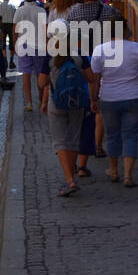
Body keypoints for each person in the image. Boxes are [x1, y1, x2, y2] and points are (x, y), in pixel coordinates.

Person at [91, 19, 138, 187]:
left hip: (109, 98)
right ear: (125, 30)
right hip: (133, 96)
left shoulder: (100, 50)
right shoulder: (136, 48)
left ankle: (113, 169)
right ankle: (128, 175)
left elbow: (95, 79)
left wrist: (93, 98)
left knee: (112, 135)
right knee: (130, 135)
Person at [63, 0, 118, 157]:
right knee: (100, 105)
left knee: (85, 107)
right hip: (106, 62)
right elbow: (119, 38)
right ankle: (98, 145)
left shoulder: (72, 14)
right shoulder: (110, 12)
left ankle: (82, 147)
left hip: (82, 63)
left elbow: (67, 40)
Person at [38, 34, 97, 196]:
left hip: (56, 103)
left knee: (60, 142)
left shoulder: (50, 57)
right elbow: (91, 78)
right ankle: (71, 179)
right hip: (77, 102)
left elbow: (42, 83)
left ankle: (69, 179)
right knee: (73, 140)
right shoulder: (79, 56)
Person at [14, 0, 47, 112]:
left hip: (24, 44)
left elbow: (15, 29)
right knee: (40, 74)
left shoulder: (20, 11)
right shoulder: (42, 11)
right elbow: (45, 29)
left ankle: (29, 102)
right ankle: (41, 98)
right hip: (40, 45)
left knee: (26, 74)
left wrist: (15, 43)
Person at [0, 0, 17, 69]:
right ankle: (11, 61)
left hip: (2, 24)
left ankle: (5, 60)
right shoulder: (12, 6)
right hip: (11, 24)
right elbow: (15, 16)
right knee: (11, 42)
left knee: (2, 42)